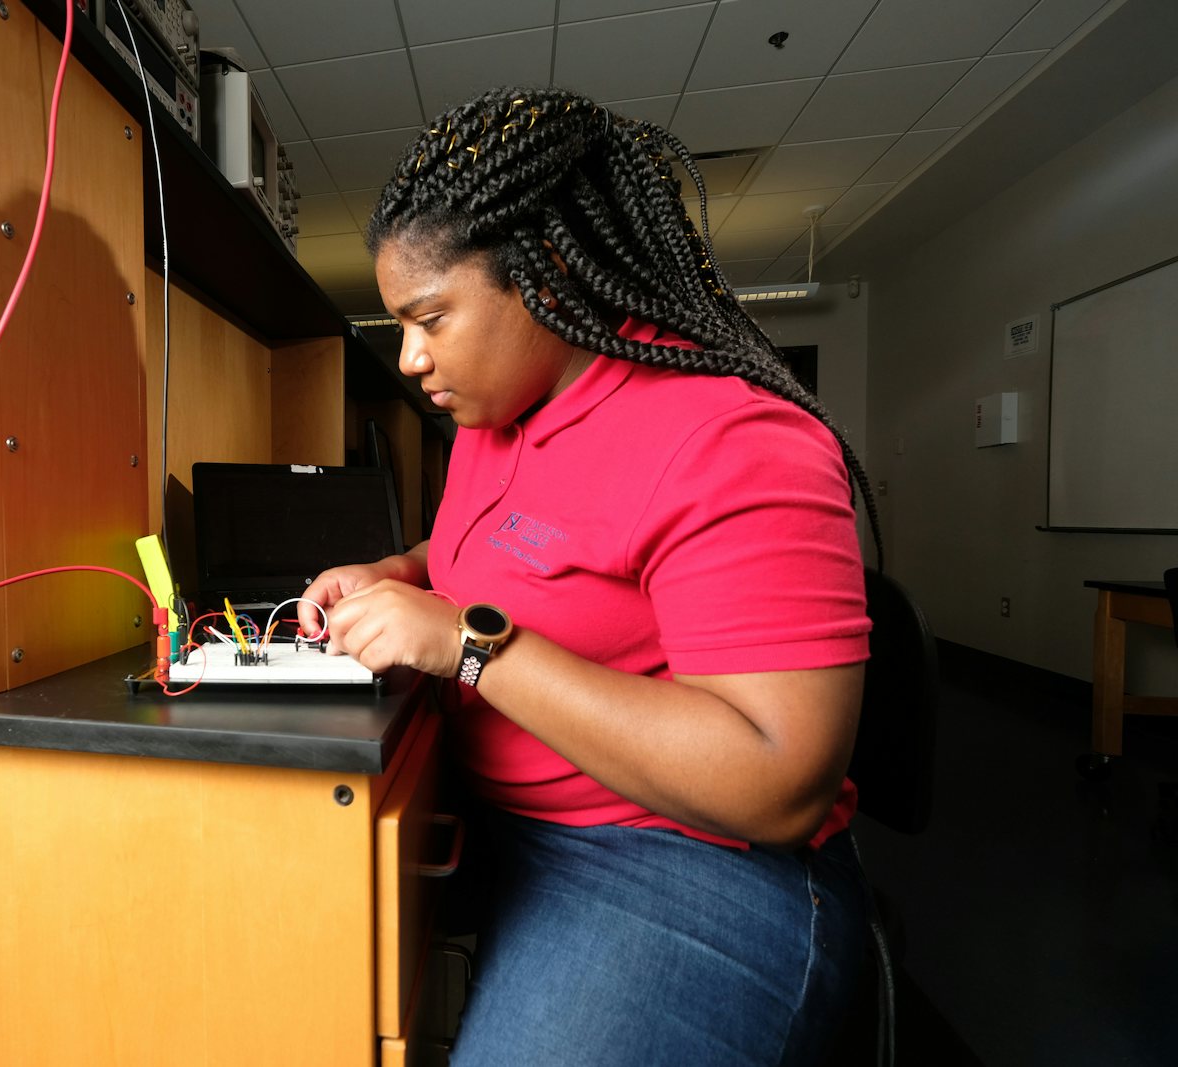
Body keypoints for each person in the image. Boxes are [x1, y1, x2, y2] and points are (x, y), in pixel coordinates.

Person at [297, 86, 879, 1066]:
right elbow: (475, 558)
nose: (408, 357)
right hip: (504, 821)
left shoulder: (727, 436)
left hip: (677, 855)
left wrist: (465, 643)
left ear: (550, 272)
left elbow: (775, 779)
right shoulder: (494, 415)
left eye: (430, 317)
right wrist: (390, 575)